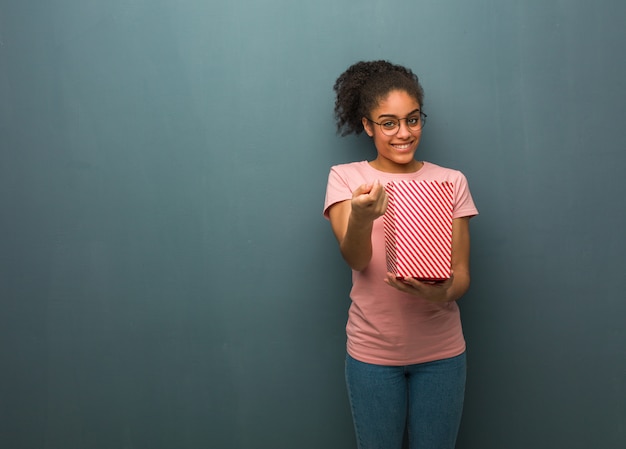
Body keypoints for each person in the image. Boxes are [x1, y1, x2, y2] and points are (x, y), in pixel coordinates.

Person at [323, 60, 478, 449]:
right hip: (372, 356)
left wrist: (438, 293)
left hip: (442, 354)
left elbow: (461, 276)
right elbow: (356, 260)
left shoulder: (451, 180)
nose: (404, 133)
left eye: (412, 119)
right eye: (388, 122)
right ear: (367, 125)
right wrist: (361, 217)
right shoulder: (347, 179)